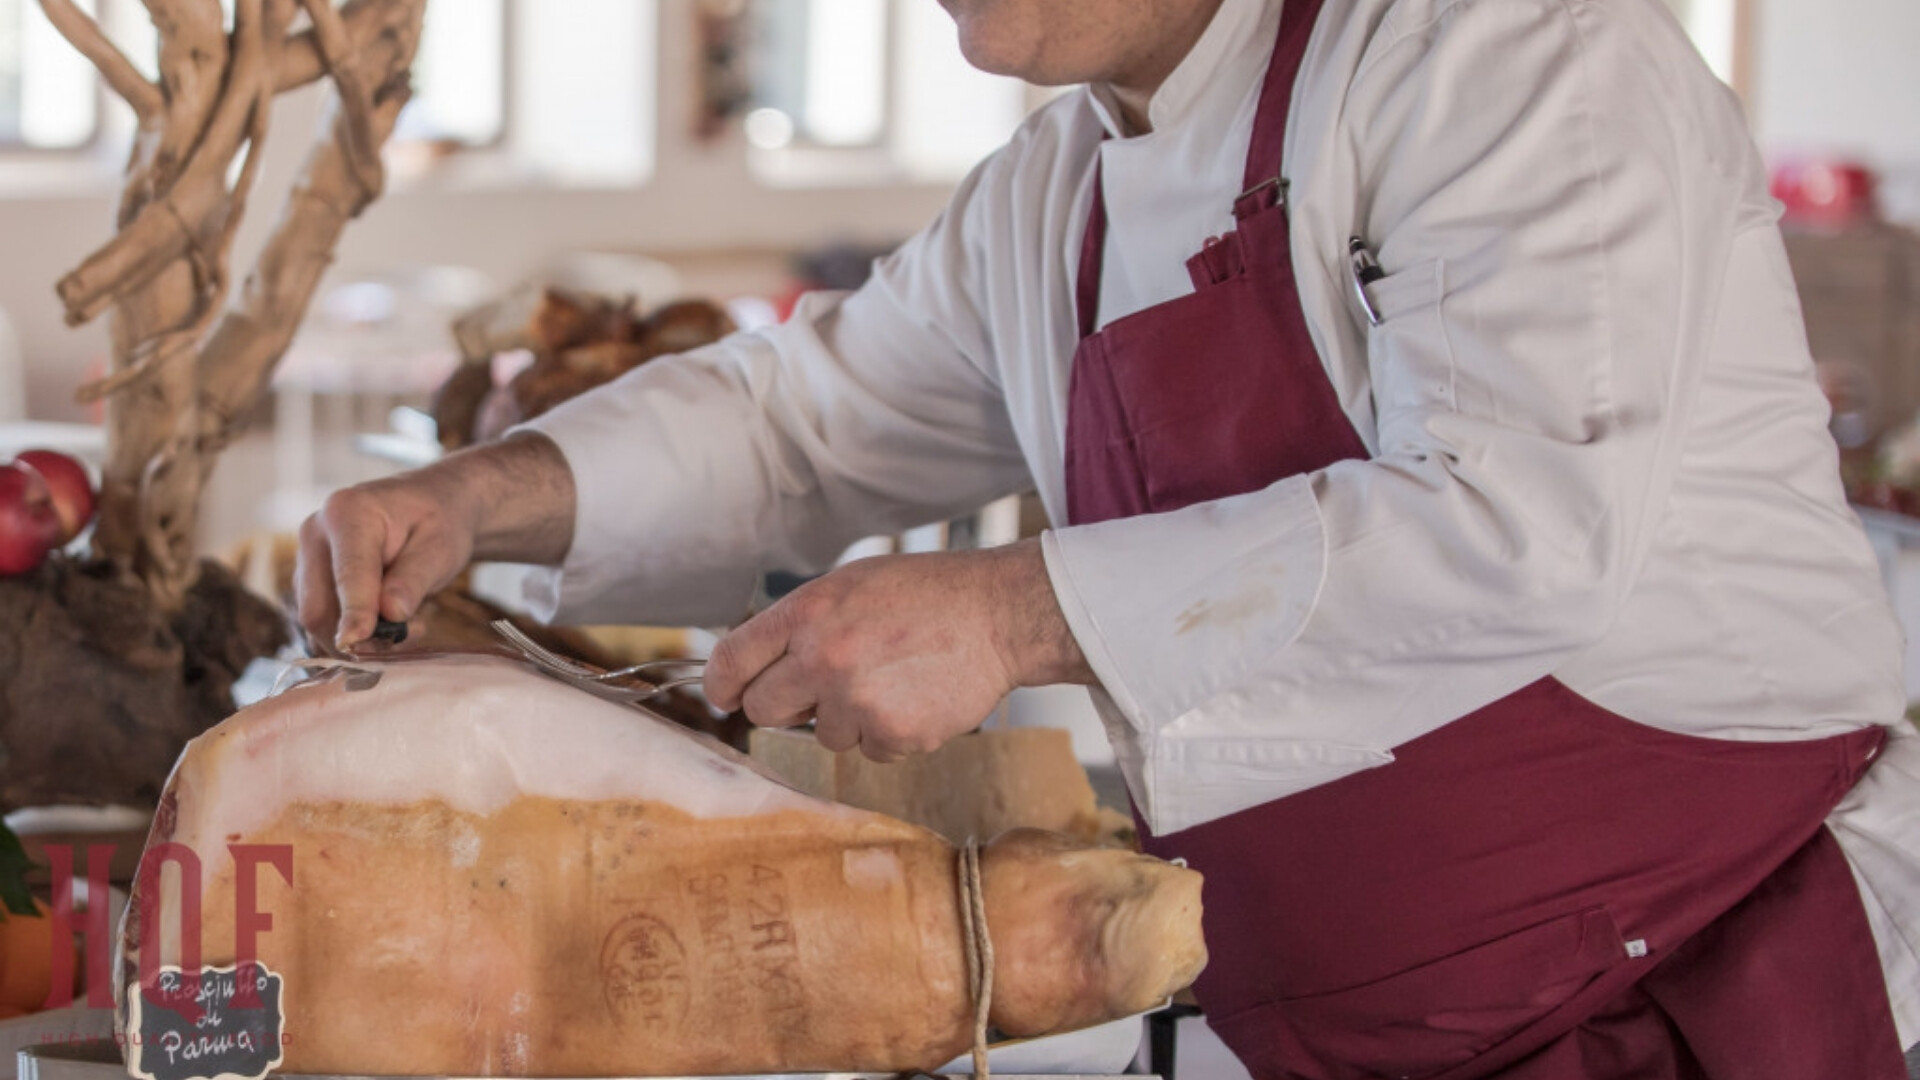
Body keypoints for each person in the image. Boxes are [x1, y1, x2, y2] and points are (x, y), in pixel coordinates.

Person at [298, 0, 1920, 1075]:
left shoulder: (1509, 50)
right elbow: (800, 419)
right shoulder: (1058, 190)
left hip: (1714, 988)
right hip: (1328, 1025)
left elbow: (1517, 520)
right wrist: (474, 496)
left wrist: (1009, 614)